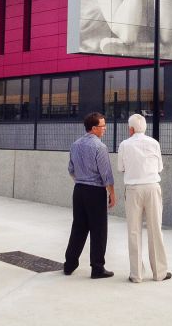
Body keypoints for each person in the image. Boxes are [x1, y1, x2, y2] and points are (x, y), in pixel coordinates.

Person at [117, 113, 171, 283]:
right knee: (155, 229)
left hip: (133, 189)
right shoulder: (154, 143)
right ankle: (160, 272)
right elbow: (159, 167)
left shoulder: (124, 144)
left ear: (131, 129)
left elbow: (120, 168)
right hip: (152, 187)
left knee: (134, 231)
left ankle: (136, 274)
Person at [63, 112, 117, 279]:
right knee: (98, 230)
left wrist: (81, 181)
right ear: (94, 128)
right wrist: (112, 193)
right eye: (102, 126)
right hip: (95, 192)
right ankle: (97, 268)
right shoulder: (100, 147)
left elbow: (71, 169)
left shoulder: (75, 144)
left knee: (78, 227)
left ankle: (69, 264)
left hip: (79, 190)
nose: (105, 129)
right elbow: (106, 174)